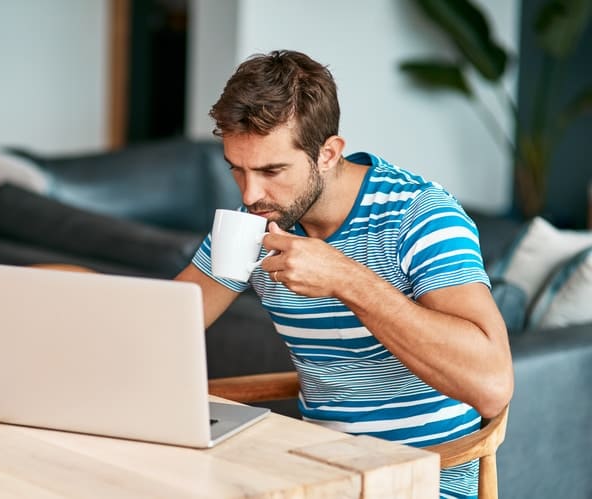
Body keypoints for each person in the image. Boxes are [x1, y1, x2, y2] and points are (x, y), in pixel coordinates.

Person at [176, 50, 513, 498]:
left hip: (425, 482)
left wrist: (347, 280)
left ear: (329, 153)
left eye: (272, 170)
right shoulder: (254, 221)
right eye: (237, 169)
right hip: (320, 475)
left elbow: (491, 386)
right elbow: (163, 328)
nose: (251, 193)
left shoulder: (420, 217)